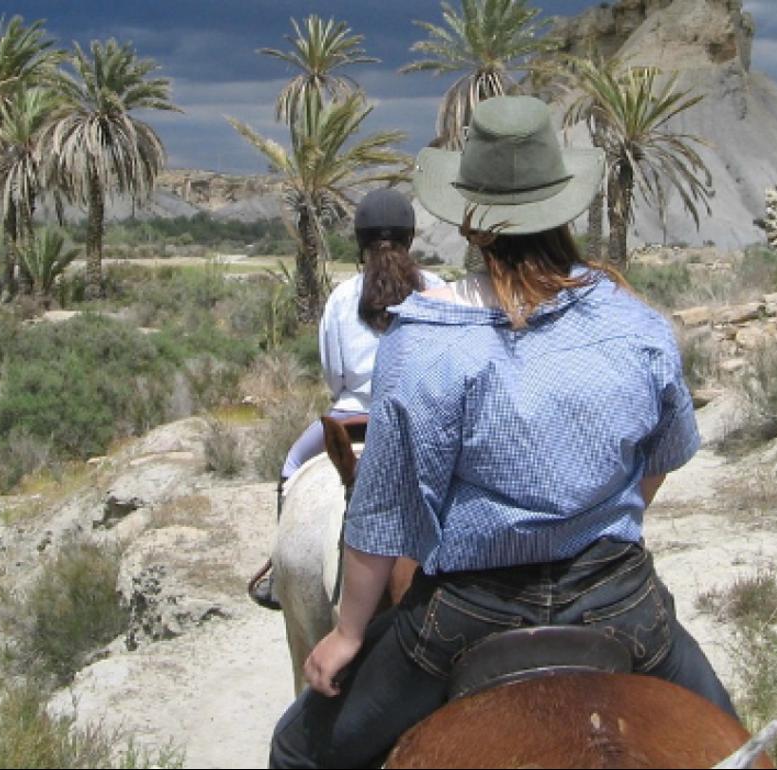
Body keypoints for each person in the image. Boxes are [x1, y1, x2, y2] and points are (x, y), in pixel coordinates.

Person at [268, 95, 736, 768]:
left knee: (296, 752)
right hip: (620, 597)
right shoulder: (639, 326)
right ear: (566, 205)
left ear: (473, 224)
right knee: (738, 747)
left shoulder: (423, 340)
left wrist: (346, 633)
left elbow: (383, 511)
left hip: (468, 613)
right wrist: (591, 521)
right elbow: (658, 460)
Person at [248, 188, 444, 610]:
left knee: (293, 465)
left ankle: (279, 581)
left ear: (360, 242)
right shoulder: (440, 289)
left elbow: (334, 376)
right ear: (410, 239)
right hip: (426, 417)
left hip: (354, 415)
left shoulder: (342, 298)